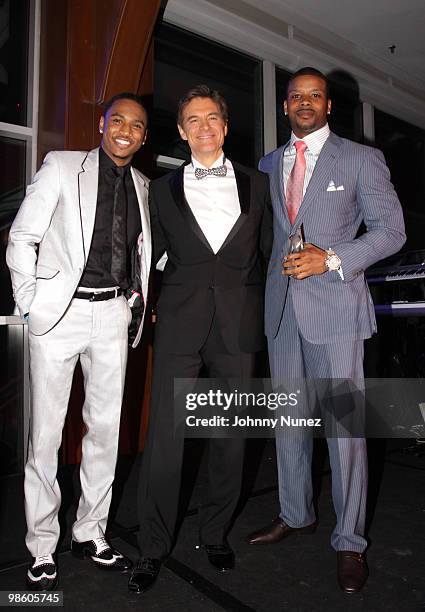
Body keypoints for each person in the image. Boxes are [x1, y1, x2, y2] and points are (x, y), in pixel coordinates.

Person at [247, 67, 405, 593]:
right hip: (282, 310)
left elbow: (391, 232)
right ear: (286, 105)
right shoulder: (270, 164)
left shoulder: (360, 159)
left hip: (335, 310)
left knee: (345, 433)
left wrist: (333, 258)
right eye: (296, 96)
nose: (305, 103)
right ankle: (295, 513)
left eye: (315, 96)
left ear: (329, 105)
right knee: (289, 423)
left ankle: (349, 543)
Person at [128, 84, 272, 593]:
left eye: (213, 117)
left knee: (230, 439)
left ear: (225, 127)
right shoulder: (161, 190)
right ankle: (151, 546)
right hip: (181, 325)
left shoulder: (260, 184)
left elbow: (271, 257)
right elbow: (150, 259)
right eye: (194, 119)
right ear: (182, 130)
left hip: (239, 326)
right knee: (166, 439)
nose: (204, 126)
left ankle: (215, 532)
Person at [6, 93, 152, 590]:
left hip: (112, 313)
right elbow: (22, 237)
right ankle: (42, 545)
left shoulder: (144, 187)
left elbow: (142, 251)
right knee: (45, 437)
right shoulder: (63, 167)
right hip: (59, 314)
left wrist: (134, 299)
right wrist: (30, 303)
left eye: (136, 124)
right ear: (102, 124)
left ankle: (91, 532)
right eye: (118, 121)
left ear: (144, 135)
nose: (126, 130)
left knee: (105, 432)